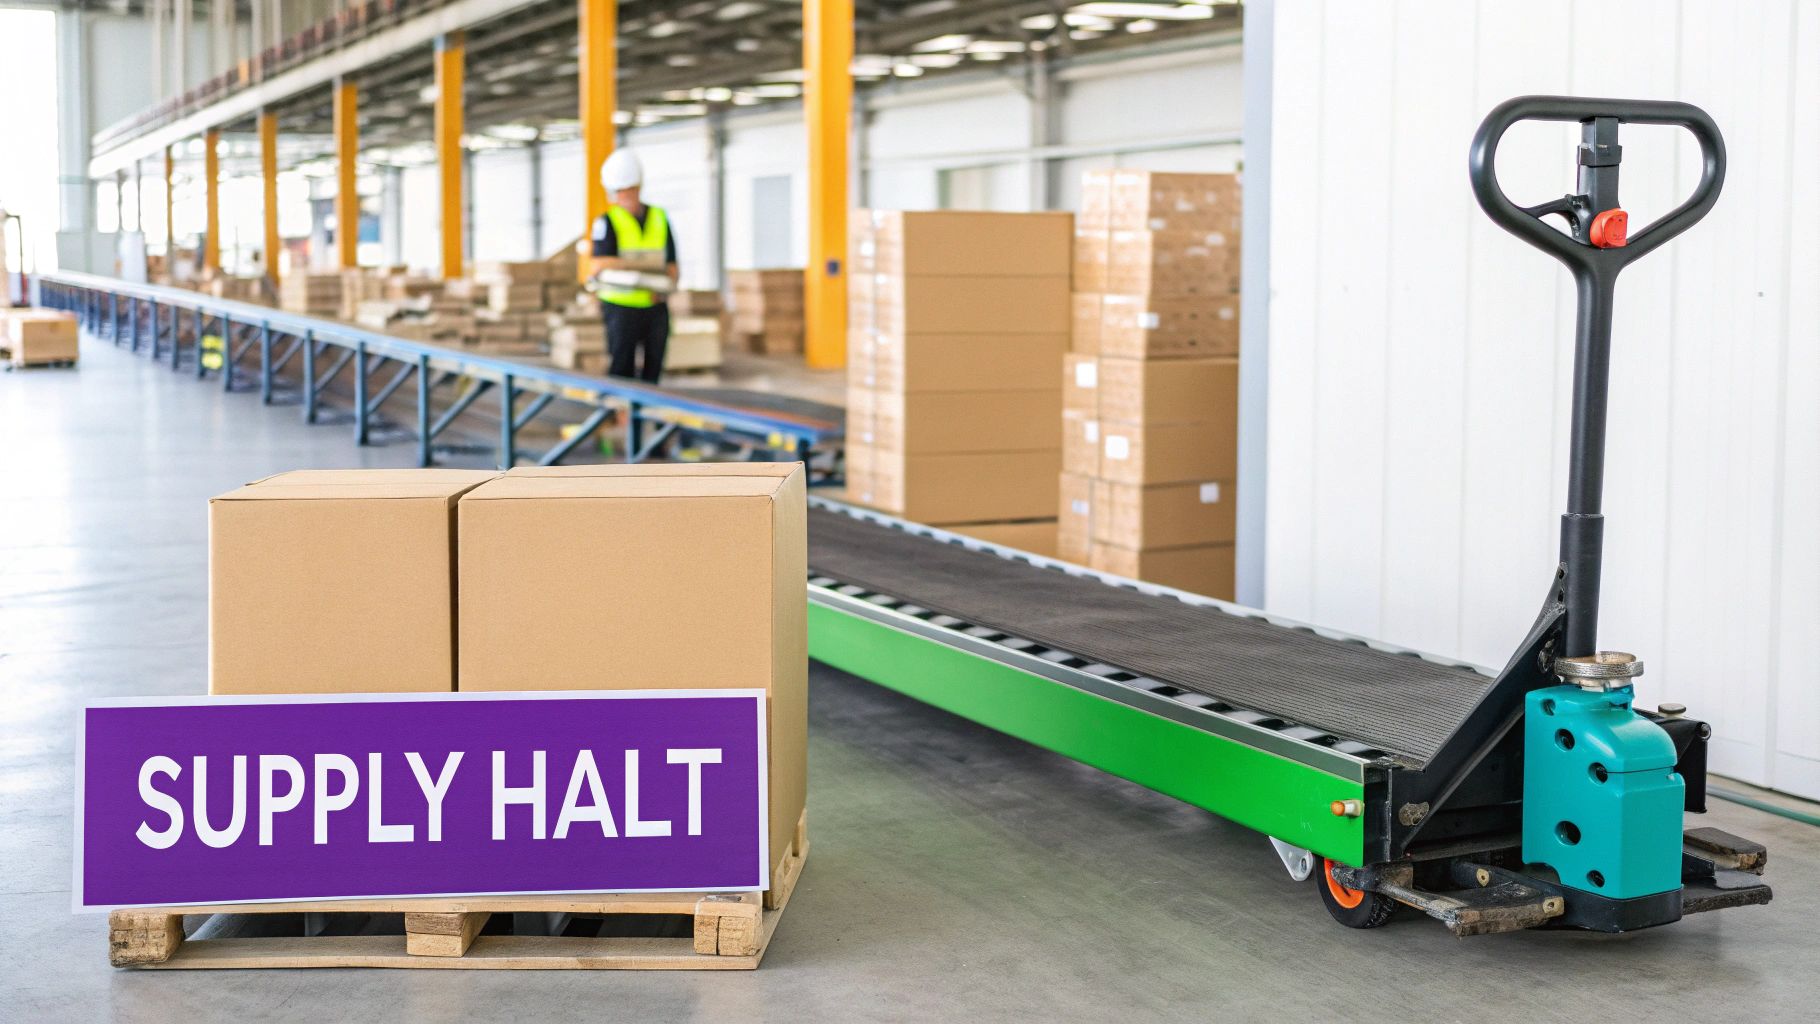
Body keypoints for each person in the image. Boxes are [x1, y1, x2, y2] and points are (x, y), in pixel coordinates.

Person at [588, 149, 678, 384]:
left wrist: (666, 286)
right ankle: (620, 416)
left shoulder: (659, 217)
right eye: (621, 191)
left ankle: (648, 415)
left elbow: (672, 265)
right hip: (620, 307)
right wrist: (638, 265)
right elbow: (597, 263)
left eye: (630, 190)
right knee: (622, 367)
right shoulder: (607, 222)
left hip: (655, 304)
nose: (626, 195)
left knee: (654, 367)